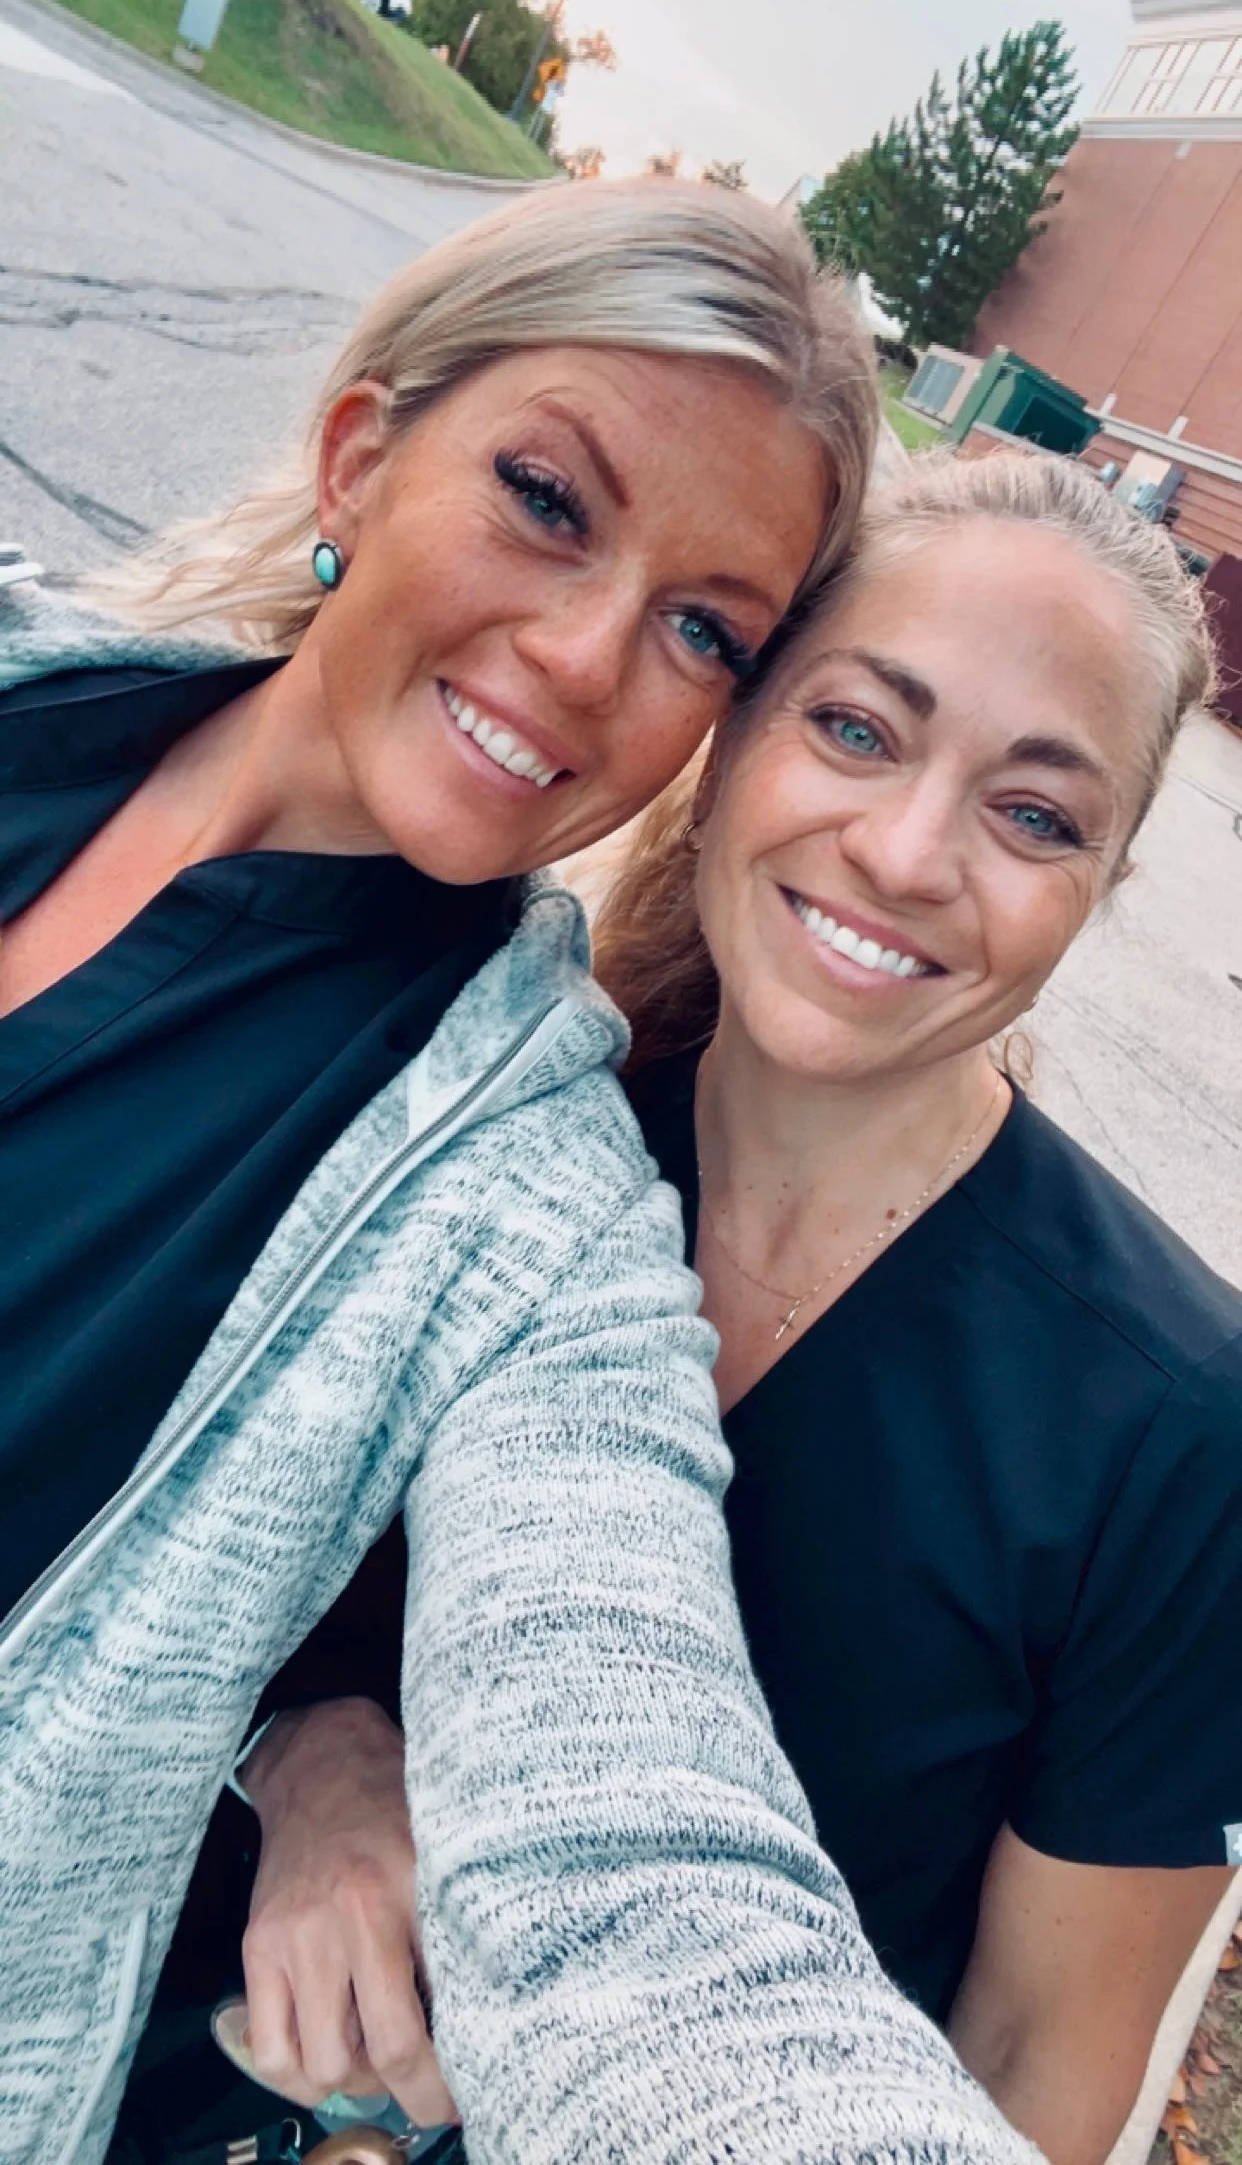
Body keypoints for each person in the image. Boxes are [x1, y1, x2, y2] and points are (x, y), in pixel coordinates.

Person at [0, 176, 1039, 2165]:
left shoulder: (527, 1214)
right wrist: (305, 1744)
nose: (581, 659)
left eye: (701, 632)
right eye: (550, 501)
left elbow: (638, 1851)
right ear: (360, 453)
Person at [256, 450, 1242, 2165]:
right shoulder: (474, 1128)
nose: (908, 850)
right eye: (855, 729)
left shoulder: (1178, 1430)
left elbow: (1037, 2061)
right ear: (728, 744)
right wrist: (308, 1748)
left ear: (1100, 890)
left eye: (1033, 813)